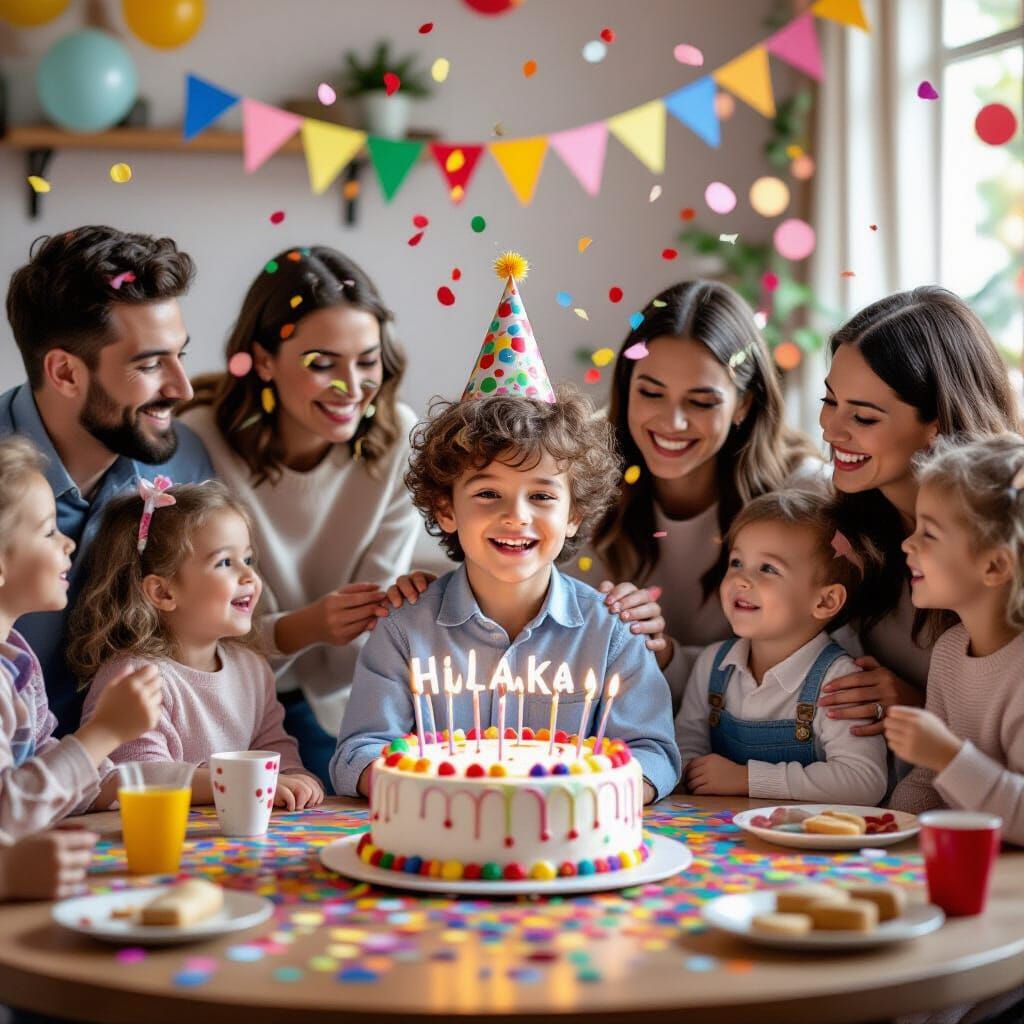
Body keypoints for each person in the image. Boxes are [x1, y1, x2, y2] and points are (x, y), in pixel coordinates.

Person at [331, 390, 680, 802]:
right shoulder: (405, 629)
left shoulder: (613, 633)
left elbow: (654, 755)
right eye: (488, 494)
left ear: (573, 515)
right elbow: (357, 754)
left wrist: (583, 800)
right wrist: (442, 792)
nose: (516, 515)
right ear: (446, 509)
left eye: (542, 496)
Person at [180, 246, 419, 787]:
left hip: (350, 702)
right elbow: (195, 633)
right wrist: (303, 627)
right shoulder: (201, 443)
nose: (350, 388)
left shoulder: (398, 440)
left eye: (366, 361)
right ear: (264, 360)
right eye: (322, 363)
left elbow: (371, 619)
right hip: (227, 701)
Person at [0, 226, 214, 733]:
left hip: (131, 777)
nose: (181, 388)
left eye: (179, 355)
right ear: (66, 373)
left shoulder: (182, 465)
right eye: (149, 364)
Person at [582, 280, 822, 708]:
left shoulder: (804, 495)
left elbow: (816, 665)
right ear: (626, 385)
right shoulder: (581, 476)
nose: (672, 422)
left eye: (701, 402)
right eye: (651, 393)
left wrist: (668, 655)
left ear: (744, 404)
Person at [816, 287, 1020, 737]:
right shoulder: (836, 520)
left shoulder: (1006, 532)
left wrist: (916, 707)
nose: (831, 429)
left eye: (863, 418)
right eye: (829, 401)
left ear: (938, 424)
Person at [69, 481, 323, 810]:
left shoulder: (252, 668)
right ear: (163, 593)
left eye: (247, 558)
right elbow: (136, 777)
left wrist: (294, 777)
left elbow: (273, 745)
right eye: (224, 563)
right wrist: (243, 783)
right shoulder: (133, 679)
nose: (249, 576)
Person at [676, 489, 887, 803]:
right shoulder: (712, 664)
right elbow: (686, 743)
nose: (741, 580)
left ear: (825, 600)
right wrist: (691, 770)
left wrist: (746, 779)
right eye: (736, 562)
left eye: (768, 569)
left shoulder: (838, 681)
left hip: (809, 842)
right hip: (723, 835)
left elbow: (864, 780)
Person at [0, 436, 162, 835]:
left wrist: (204, 782)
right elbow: (7, 814)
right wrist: (103, 731)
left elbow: (52, 769)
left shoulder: (16, 659)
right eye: (48, 531)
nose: (68, 542)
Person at [888, 434, 1024, 844]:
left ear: (996, 565)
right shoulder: (949, 650)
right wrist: (886, 832)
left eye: (928, 534)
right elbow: (926, 781)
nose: (907, 543)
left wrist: (947, 754)